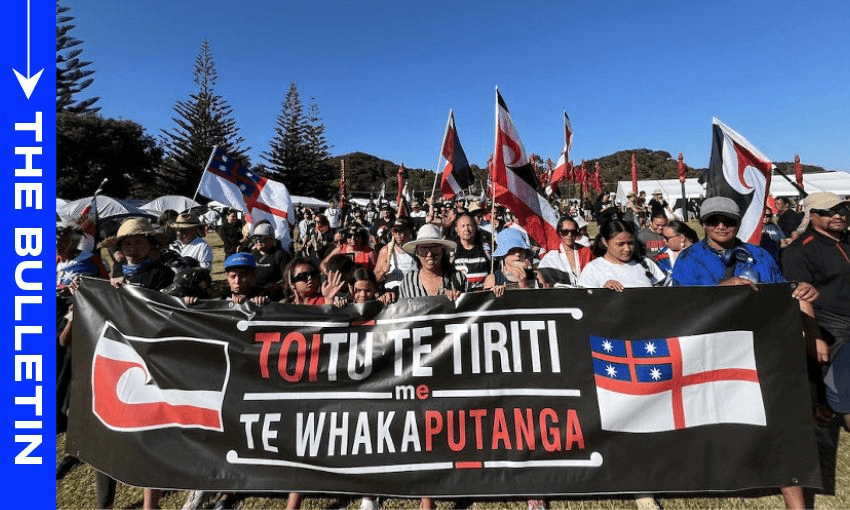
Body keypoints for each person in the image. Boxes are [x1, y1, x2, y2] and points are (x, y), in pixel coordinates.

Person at [671, 196, 818, 510]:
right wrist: (720, 290)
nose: (721, 226)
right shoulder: (688, 259)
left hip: (762, 348)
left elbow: (782, 292)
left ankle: (796, 502)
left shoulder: (759, 254)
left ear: (738, 223)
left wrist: (801, 289)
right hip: (713, 354)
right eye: (713, 220)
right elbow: (677, 308)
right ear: (704, 223)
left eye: (728, 220)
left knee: (781, 424)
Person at [99, 217, 175, 509]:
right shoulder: (115, 272)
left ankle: (150, 502)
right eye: (127, 241)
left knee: (149, 431)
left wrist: (126, 291)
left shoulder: (162, 273)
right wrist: (104, 289)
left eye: (140, 240)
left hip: (150, 359)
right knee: (110, 428)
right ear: (119, 247)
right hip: (116, 360)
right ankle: (105, 503)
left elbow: (161, 312)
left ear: (150, 244)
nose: (134, 246)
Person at [781, 192, 850, 506]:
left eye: (842, 209)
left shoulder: (845, 241)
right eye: (829, 211)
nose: (838, 215)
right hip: (831, 330)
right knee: (836, 408)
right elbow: (801, 295)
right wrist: (814, 337)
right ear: (812, 215)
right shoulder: (800, 250)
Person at [578, 219, 665, 290]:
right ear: (605, 242)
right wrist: (602, 293)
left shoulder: (646, 264)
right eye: (620, 244)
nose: (627, 249)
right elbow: (585, 304)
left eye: (630, 243)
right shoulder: (593, 269)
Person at [398, 223, 466, 301]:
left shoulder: (458, 278)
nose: (429, 254)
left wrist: (460, 297)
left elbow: (469, 308)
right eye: (423, 249)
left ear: (442, 250)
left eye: (434, 248)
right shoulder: (408, 282)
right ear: (417, 253)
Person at [537, 217, 594, 287]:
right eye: (565, 232)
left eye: (573, 232)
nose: (569, 235)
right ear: (559, 233)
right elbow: (540, 276)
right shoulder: (551, 257)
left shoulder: (586, 252)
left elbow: (596, 274)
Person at [484, 227, 536, 295]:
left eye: (521, 249)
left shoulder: (536, 276)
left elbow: (544, 303)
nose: (517, 254)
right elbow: (485, 304)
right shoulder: (492, 279)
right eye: (512, 250)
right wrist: (494, 295)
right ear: (503, 254)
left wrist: (525, 286)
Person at [374, 218, 417, 298]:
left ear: (408, 231)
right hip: (392, 294)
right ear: (391, 233)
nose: (398, 234)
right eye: (395, 231)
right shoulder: (386, 250)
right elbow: (376, 278)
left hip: (413, 291)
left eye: (401, 230)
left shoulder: (417, 249)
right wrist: (383, 271)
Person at [451, 212, 492, 291]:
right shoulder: (451, 251)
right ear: (457, 230)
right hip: (460, 300)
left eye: (469, 225)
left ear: (475, 228)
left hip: (484, 299)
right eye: (463, 226)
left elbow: (494, 272)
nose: (466, 229)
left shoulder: (487, 248)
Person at [249, 221, 291, 299]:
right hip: (253, 297)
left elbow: (288, 280)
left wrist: (276, 286)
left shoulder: (280, 255)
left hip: (272, 299)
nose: (258, 241)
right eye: (255, 239)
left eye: (261, 238)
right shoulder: (253, 255)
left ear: (270, 239)